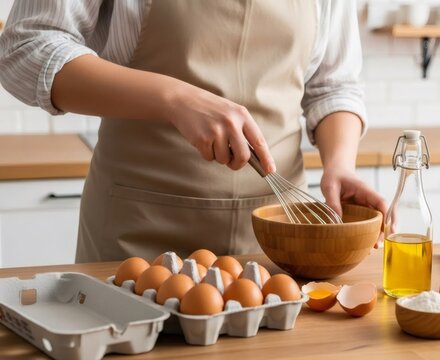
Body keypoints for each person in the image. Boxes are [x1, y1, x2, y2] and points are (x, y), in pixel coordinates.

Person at [0, 1, 386, 262]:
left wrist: (341, 164)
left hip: (277, 242)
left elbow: (334, 85)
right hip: (138, 237)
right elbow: (26, 45)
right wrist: (174, 97)